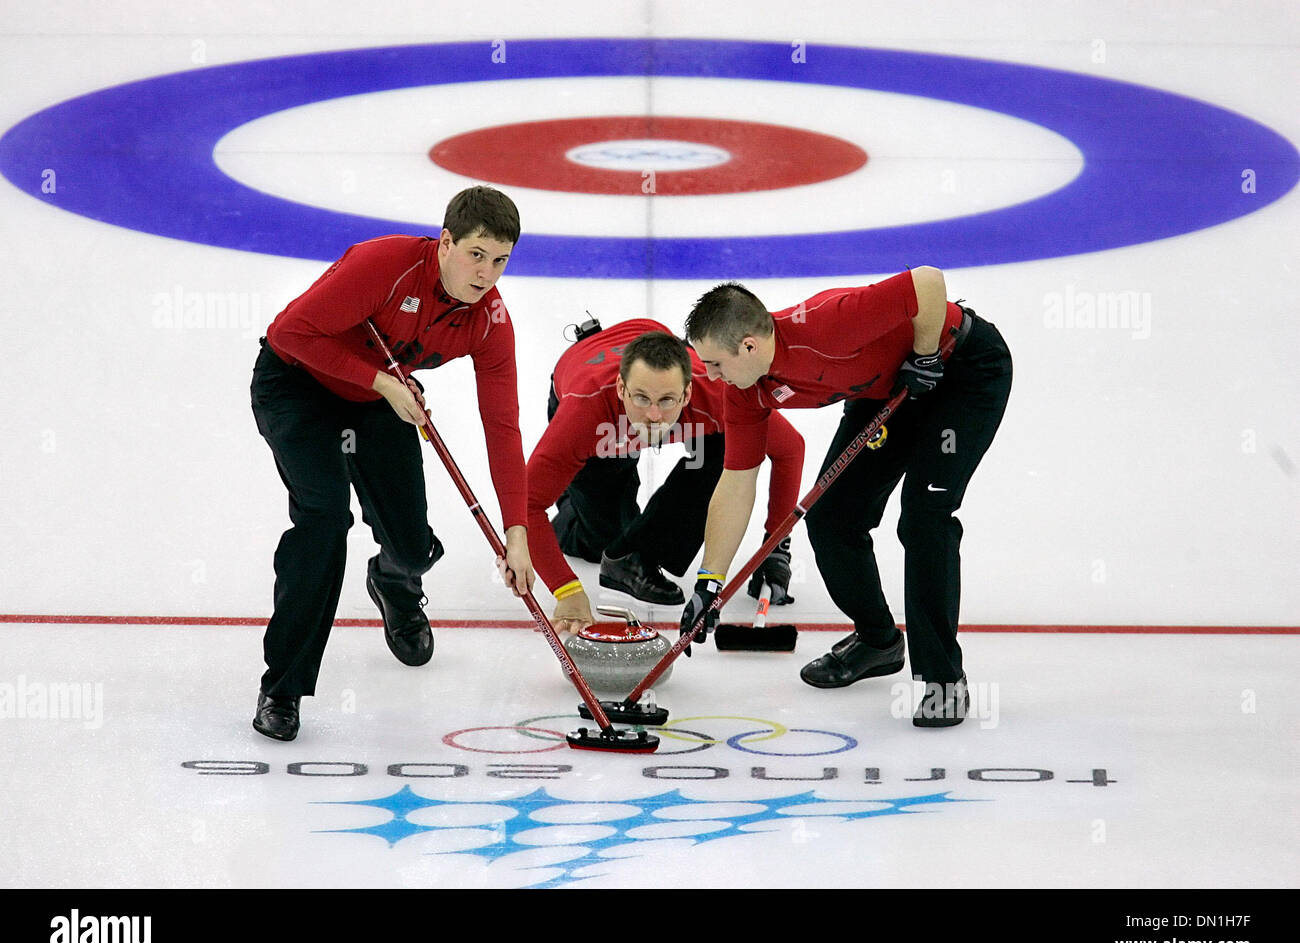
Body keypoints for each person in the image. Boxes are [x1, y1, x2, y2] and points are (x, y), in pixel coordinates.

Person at [248, 185, 534, 742]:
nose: (486, 274)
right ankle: (282, 686)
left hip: (376, 401)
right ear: (446, 242)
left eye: (500, 260)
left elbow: (503, 428)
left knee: (412, 545)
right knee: (325, 519)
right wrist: (379, 379)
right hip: (297, 385)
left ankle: (393, 583)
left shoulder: (490, 323)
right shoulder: (386, 264)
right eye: (476, 254)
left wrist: (516, 530)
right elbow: (291, 332)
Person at [681, 268, 1012, 726]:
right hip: (888, 390)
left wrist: (926, 354)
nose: (711, 376)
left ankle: (943, 681)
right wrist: (709, 583)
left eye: (715, 363)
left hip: (959, 371)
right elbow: (737, 483)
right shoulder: (742, 393)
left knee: (923, 517)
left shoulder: (829, 323)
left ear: (750, 346)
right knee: (832, 517)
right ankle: (878, 641)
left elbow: (927, 282)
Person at [526, 318, 805, 634]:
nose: (654, 416)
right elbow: (526, 505)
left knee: (733, 445)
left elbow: (790, 448)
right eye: (642, 399)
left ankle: (637, 555)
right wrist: (567, 591)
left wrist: (775, 546)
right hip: (592, 391)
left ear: (687, 394)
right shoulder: (584, 412)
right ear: (621, 388)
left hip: (643, 371)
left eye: (667, 401)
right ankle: (573, 487)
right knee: (598, 541)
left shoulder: (717, 394)